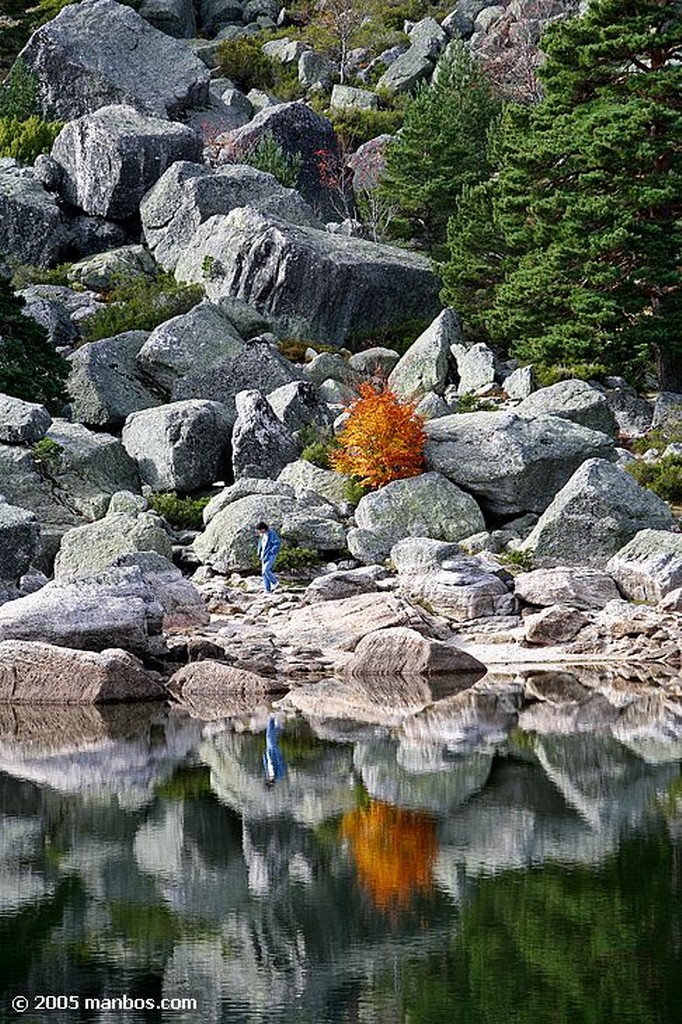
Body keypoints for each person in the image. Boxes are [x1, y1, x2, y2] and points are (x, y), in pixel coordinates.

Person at [256, 520, 281, 593]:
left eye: (260, 530)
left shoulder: (271, 533)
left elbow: (277, 543)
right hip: (263, 555)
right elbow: (261, 544)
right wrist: (259, 553)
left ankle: (275, 582)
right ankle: (267, 590)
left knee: (266, 570)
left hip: (270, 555)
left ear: (263, 528)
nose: (259, 531)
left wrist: (272, 551)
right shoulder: (262, 535)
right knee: (263, 573)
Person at [263, 715, 287, 784]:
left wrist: (264, 756)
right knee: (269, 738)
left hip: (269, 753)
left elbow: (266, 764)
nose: (268, 779)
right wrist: (279, 756)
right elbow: (281, 764)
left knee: (269, 738)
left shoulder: (268, 773)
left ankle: (273, 720)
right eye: (269, 780)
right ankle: (272, 719)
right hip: (275, 753)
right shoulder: (279, 774)